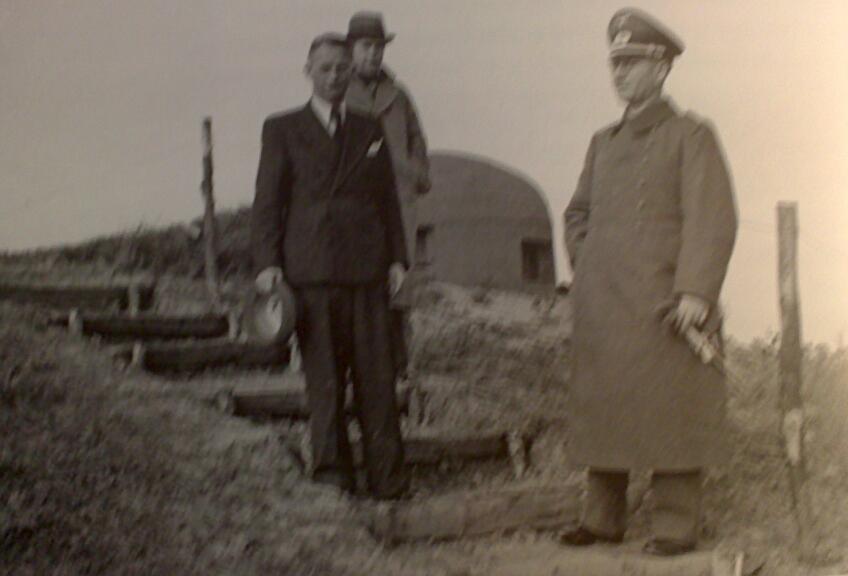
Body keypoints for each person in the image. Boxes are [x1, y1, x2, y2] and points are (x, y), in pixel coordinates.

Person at [560, 8, 738, 555]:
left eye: (632, 63)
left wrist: (695, 291)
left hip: (666, 306)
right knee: (605, 406)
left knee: (673, 411)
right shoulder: (602, 143)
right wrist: (589, 264)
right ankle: (602, 518)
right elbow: (576, 215)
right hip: (606, 305)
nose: (619, 74)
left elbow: (713, 217)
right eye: (615, 62)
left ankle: (675, 526)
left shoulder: (691, 135)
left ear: (661, 69)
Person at [250, 33, 409, 500]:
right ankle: (332, 483)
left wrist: (397, 258)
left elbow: (388, 202)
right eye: (325, 68)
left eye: (342, 67)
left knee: (377, 383)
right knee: (324, 386)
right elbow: (267, 203)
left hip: (366, 274)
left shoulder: (369, 128)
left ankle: (390, 483)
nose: (336, 75)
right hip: (311, 275)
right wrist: (267, 264)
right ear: (308, 72)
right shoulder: (282, 129)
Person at [345, 11, 431, 376]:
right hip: (354, 207)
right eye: (366, 47)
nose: (373, 55)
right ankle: (352, 368)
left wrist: (415, 173)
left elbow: (417, 141)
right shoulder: (339, 91)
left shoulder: (399, 96)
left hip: (397, 201)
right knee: (353, 286)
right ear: (351, 49)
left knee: (397, 287)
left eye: (378, 47)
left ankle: (399, 368)